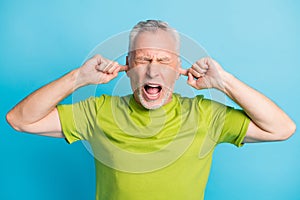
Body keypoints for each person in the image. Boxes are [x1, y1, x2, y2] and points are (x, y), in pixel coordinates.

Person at [6, 20, 296, 200]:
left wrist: (224, 82)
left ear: (178, 70)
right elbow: (19, 120)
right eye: (143, 60)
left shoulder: (206, 115)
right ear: (128, 68)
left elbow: (282, 128)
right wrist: (78, 78)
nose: (153, 70)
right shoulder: (98, 112)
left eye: (164, 61)